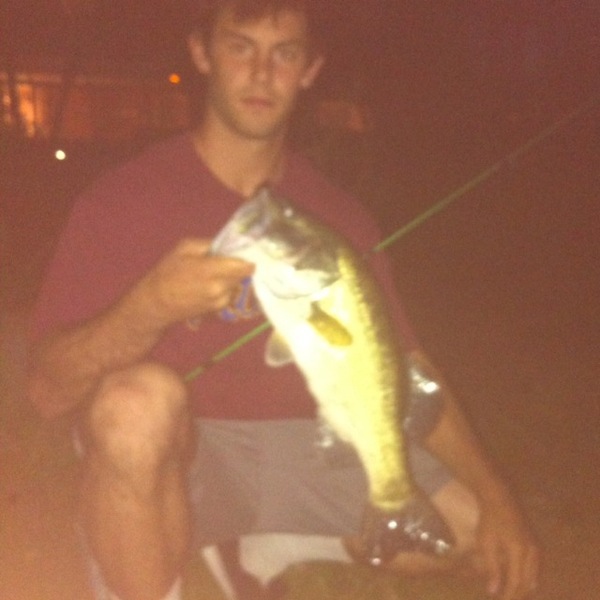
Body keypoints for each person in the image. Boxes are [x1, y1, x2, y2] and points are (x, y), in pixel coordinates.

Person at [27, 2, 540, 600]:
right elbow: (47, 391)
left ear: (310, 70)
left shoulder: (340, 217)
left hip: (312, 441)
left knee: (475, 536)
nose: (262, 73)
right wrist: (150, 305)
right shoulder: (122, 200)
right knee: (133, 408)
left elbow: (404, 366)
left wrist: (498, 499)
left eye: (285, 53)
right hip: (189, 452)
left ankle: (277, 545)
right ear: (202, 53)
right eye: (240, 46)